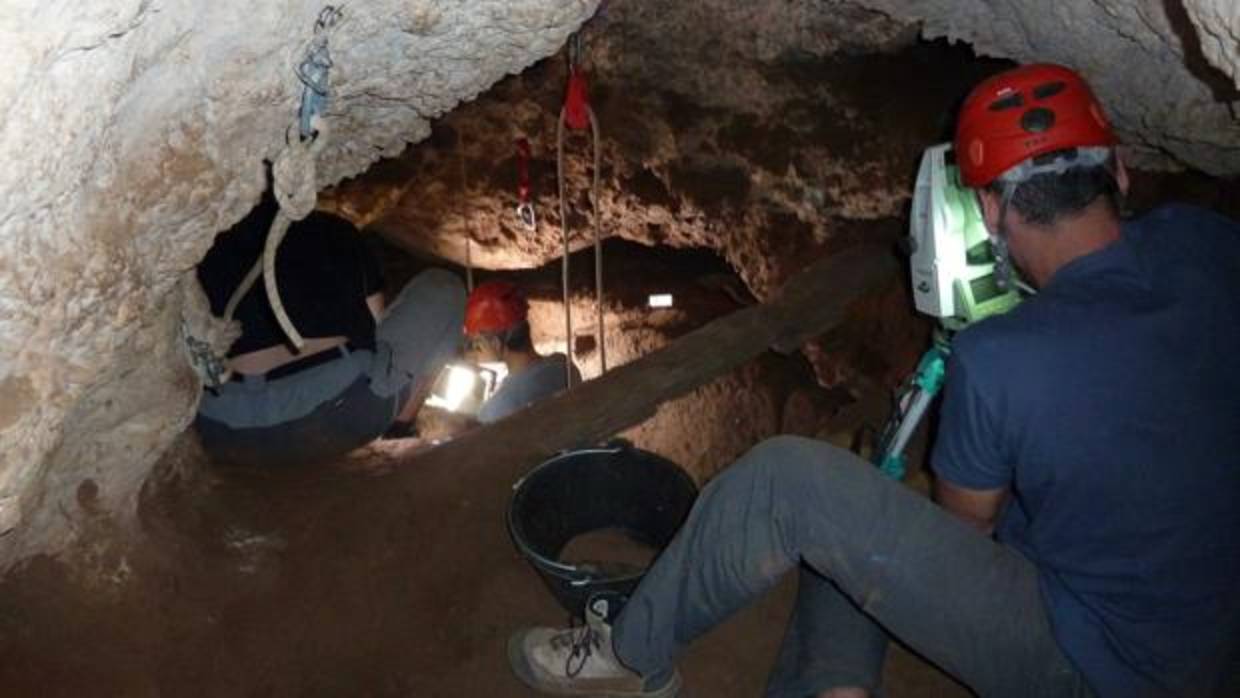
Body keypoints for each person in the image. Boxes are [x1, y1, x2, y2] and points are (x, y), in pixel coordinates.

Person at [507, 63, 1240, 698]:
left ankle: (627, 657)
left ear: (990, 209)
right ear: (1117, 170)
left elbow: (963, 530)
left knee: (789, 482)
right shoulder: (1206, 244)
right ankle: (838, 684)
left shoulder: (1001, 356)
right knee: (863, 502)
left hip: (1097, 668)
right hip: (1212, 637)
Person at [194, 188, 465, 466]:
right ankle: (399, 428)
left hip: (224, 429)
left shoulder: (200, 247)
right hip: (339, 416)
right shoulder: (334, 231)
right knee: (444, 286)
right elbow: (375, 327)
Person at [463, 280, 581, 424]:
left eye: (476, 344)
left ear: (495, 342)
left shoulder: (498, 407)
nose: (474, 351)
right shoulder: (564, 367)